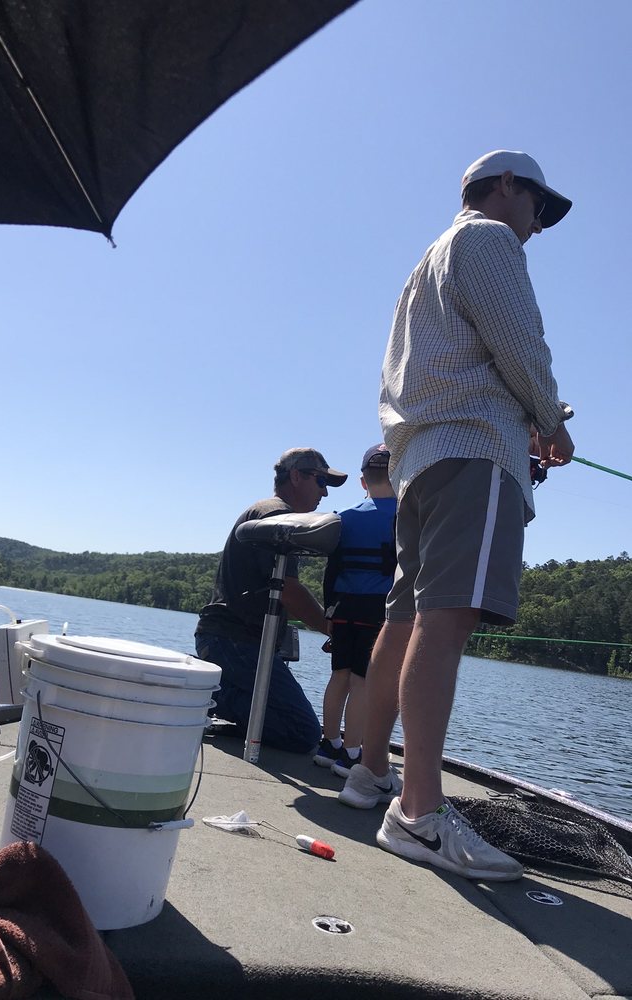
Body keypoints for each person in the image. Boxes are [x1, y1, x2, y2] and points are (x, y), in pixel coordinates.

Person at [339, 150, 575, 881]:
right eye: (539, 205)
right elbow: (519, 343)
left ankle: (368, 772)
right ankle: (417, 815)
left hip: (420, 463)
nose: (538, 226)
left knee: (404, 618)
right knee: (445, 621)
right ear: (505, 186)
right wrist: (550, 422)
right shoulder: (489, 239)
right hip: (475, 454)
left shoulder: (426, 264)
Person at [195, 447, 347, 753]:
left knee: (296, 724)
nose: (325, 494)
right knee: (302, 732)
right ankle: (203, 696)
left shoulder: (274, 516)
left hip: (237, 641)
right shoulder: (276, 518)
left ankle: (207, 691)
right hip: (235, 641)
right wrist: (334, 630)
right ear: (295, 476)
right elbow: (290, 591)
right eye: (321, 482)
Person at [313, 444, 397, 777]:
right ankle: (351, 753)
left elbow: (330, 571)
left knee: (340, 675)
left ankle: (328, 743)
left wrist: (329, 613)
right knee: (364, 681)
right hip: (376, 609)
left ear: (363, 482)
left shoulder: (341, 518)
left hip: (342, 608)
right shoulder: (405, 518)